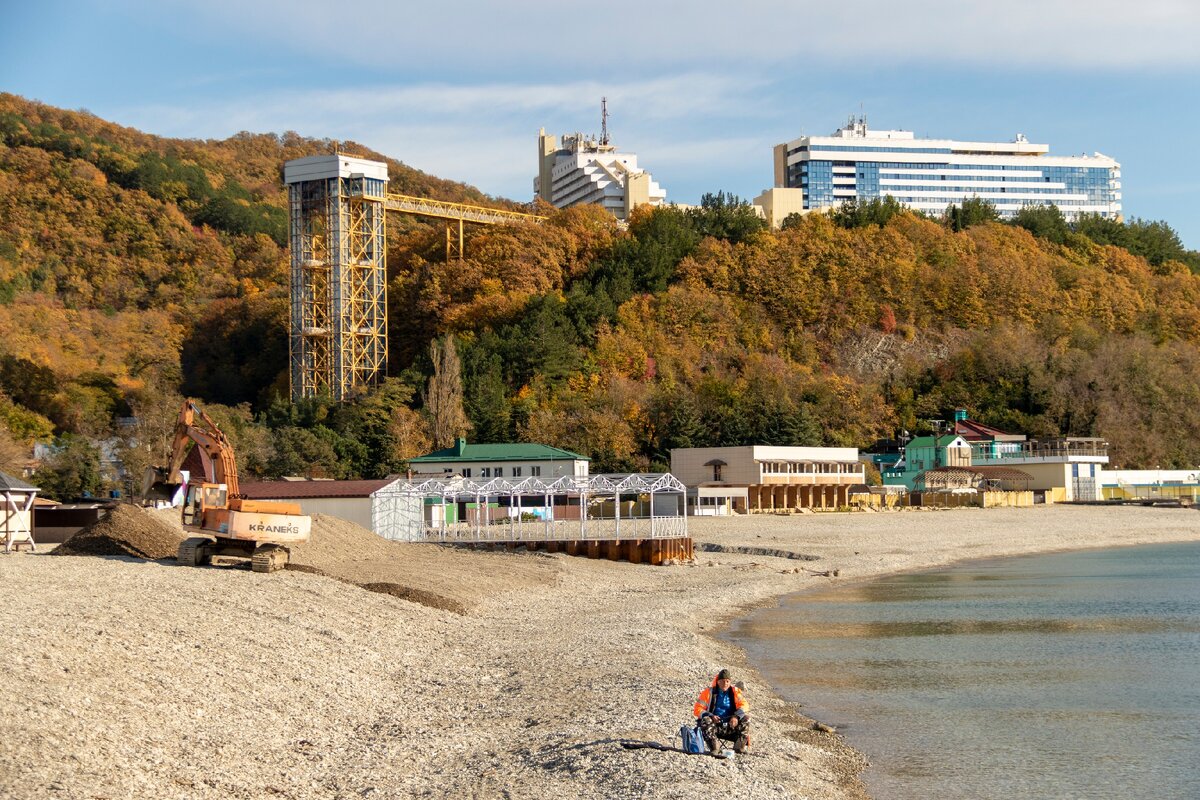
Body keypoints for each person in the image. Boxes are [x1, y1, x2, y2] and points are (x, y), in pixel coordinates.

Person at [693, 668, 751, 753]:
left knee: (746, 718)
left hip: (731, 726)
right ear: (718, 681)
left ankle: (739, 747)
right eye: (723, 681)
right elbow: (697, 709)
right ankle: (715, 748)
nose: (725, 683)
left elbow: (745, 705)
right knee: (706, 720)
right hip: (714, 727)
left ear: (730, 682)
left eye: (727, 681)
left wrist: (736, 716)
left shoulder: (735, 692)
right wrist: (711, 716)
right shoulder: (708, 692)